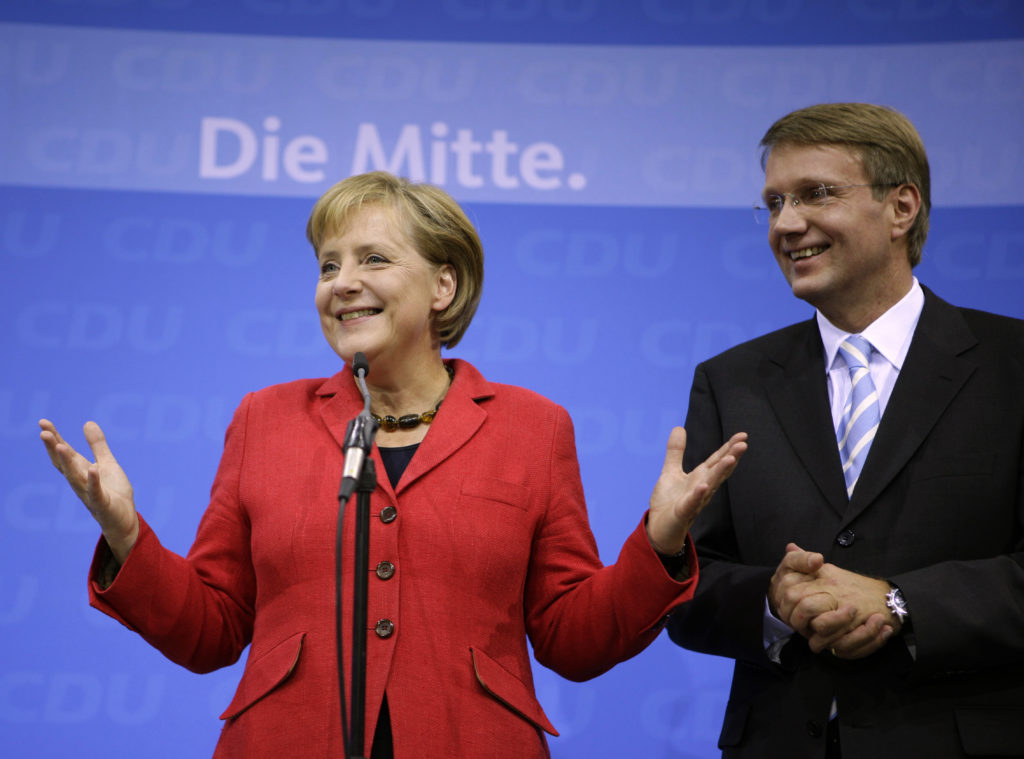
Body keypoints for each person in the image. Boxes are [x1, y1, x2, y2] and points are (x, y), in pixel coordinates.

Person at [39, 171, 747, 759]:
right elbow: (211, 629)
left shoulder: (533, 427)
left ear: (443, 286)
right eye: (328, 265)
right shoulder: (263, 418)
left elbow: (574, 636)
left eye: (373, 259)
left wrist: (656, 545)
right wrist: (130, 540)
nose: (342, 282)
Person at [666, 102, 1024, 758]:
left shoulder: (1012, 364)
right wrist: (774, 598)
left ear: (901, 208)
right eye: (773, 202)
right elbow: (689, 589)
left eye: (816, 194)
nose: (787, 224)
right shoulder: (730, 380)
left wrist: (903, 603)